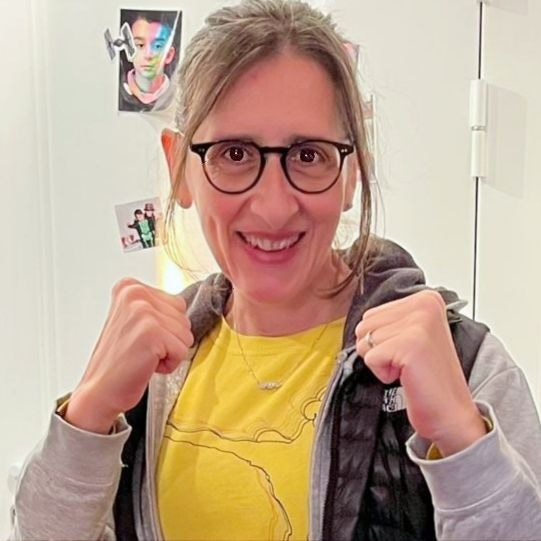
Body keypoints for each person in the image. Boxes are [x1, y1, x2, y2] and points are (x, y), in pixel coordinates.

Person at [10, 1, 541, 540]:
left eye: (308, 155)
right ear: (179, 168)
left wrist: (463, 440)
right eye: (233, 153)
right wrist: (87, 413)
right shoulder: (149, 366)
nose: (273, 206)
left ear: (352, 172)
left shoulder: (466, 366)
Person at [118, 10, 180, 112]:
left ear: (169, 55)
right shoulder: (115, 93)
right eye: (140, 45)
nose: (148, 55)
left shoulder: (178, 97)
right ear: (128, 48)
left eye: (157, 46)